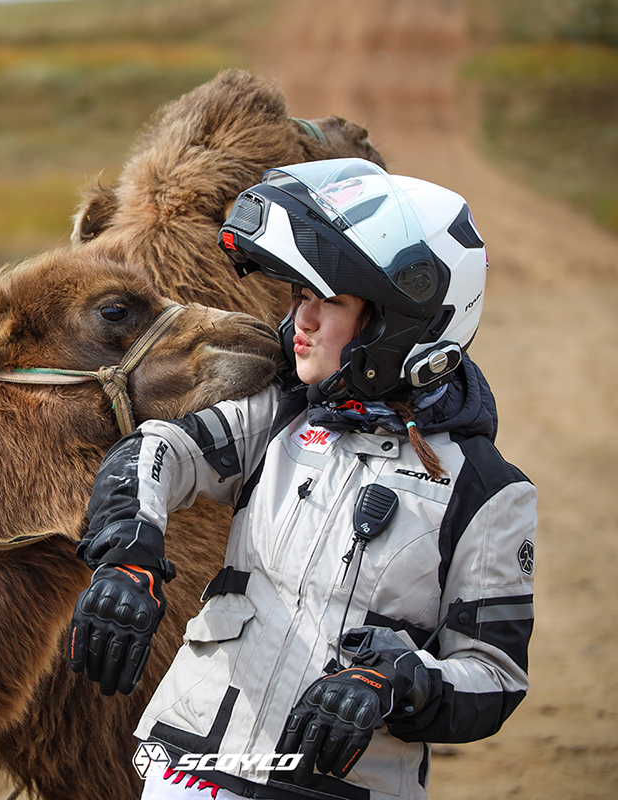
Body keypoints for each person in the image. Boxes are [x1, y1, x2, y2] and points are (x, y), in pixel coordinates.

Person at [68, 158, 537, 800]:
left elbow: (494, 676)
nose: (302, 322)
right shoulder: (279, 415)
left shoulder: (487, 491)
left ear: (401, 323)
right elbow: (155, 452)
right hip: (190, 770)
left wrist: (392, 684)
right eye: (300, 297)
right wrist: (127, 557)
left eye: (331, 302)